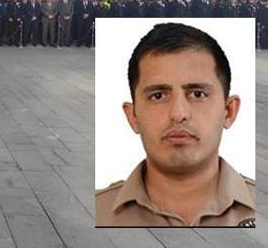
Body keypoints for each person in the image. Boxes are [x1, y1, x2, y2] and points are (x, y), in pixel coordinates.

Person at [95, 23, 254, 227]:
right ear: (133, 116)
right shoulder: (97, 213)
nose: (178, 114)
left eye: (198, 94)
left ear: (229, 111)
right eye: (158, 96)